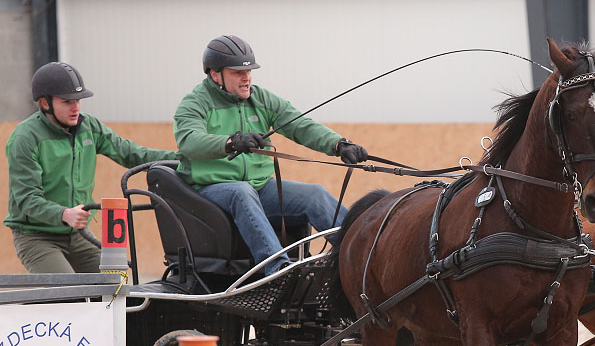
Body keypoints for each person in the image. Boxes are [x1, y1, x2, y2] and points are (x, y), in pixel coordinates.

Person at [174, 35, 368, 275]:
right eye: (237, 72)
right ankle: (279, 271)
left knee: (315, 194)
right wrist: (230, 142)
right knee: (240, 192)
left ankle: (368, 253)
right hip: (211, 191)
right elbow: (189, 141)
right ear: (215, 75)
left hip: (259, 188)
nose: (247, 78)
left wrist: (338, 144)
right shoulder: (195, 104)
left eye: (249, 71)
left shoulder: (261, 99)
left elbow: (300, 125)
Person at [5, 62, 177, 273]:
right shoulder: (26, 137)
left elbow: (133, 154)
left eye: (78, 100)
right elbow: (26, 199)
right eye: (67, 101)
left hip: (78, 233)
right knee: (69, 293)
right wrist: (63, 214)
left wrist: (182, 160)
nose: (76, 107)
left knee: (115, 283)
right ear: (45, 103)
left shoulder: (90, 127)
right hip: (37, 236)